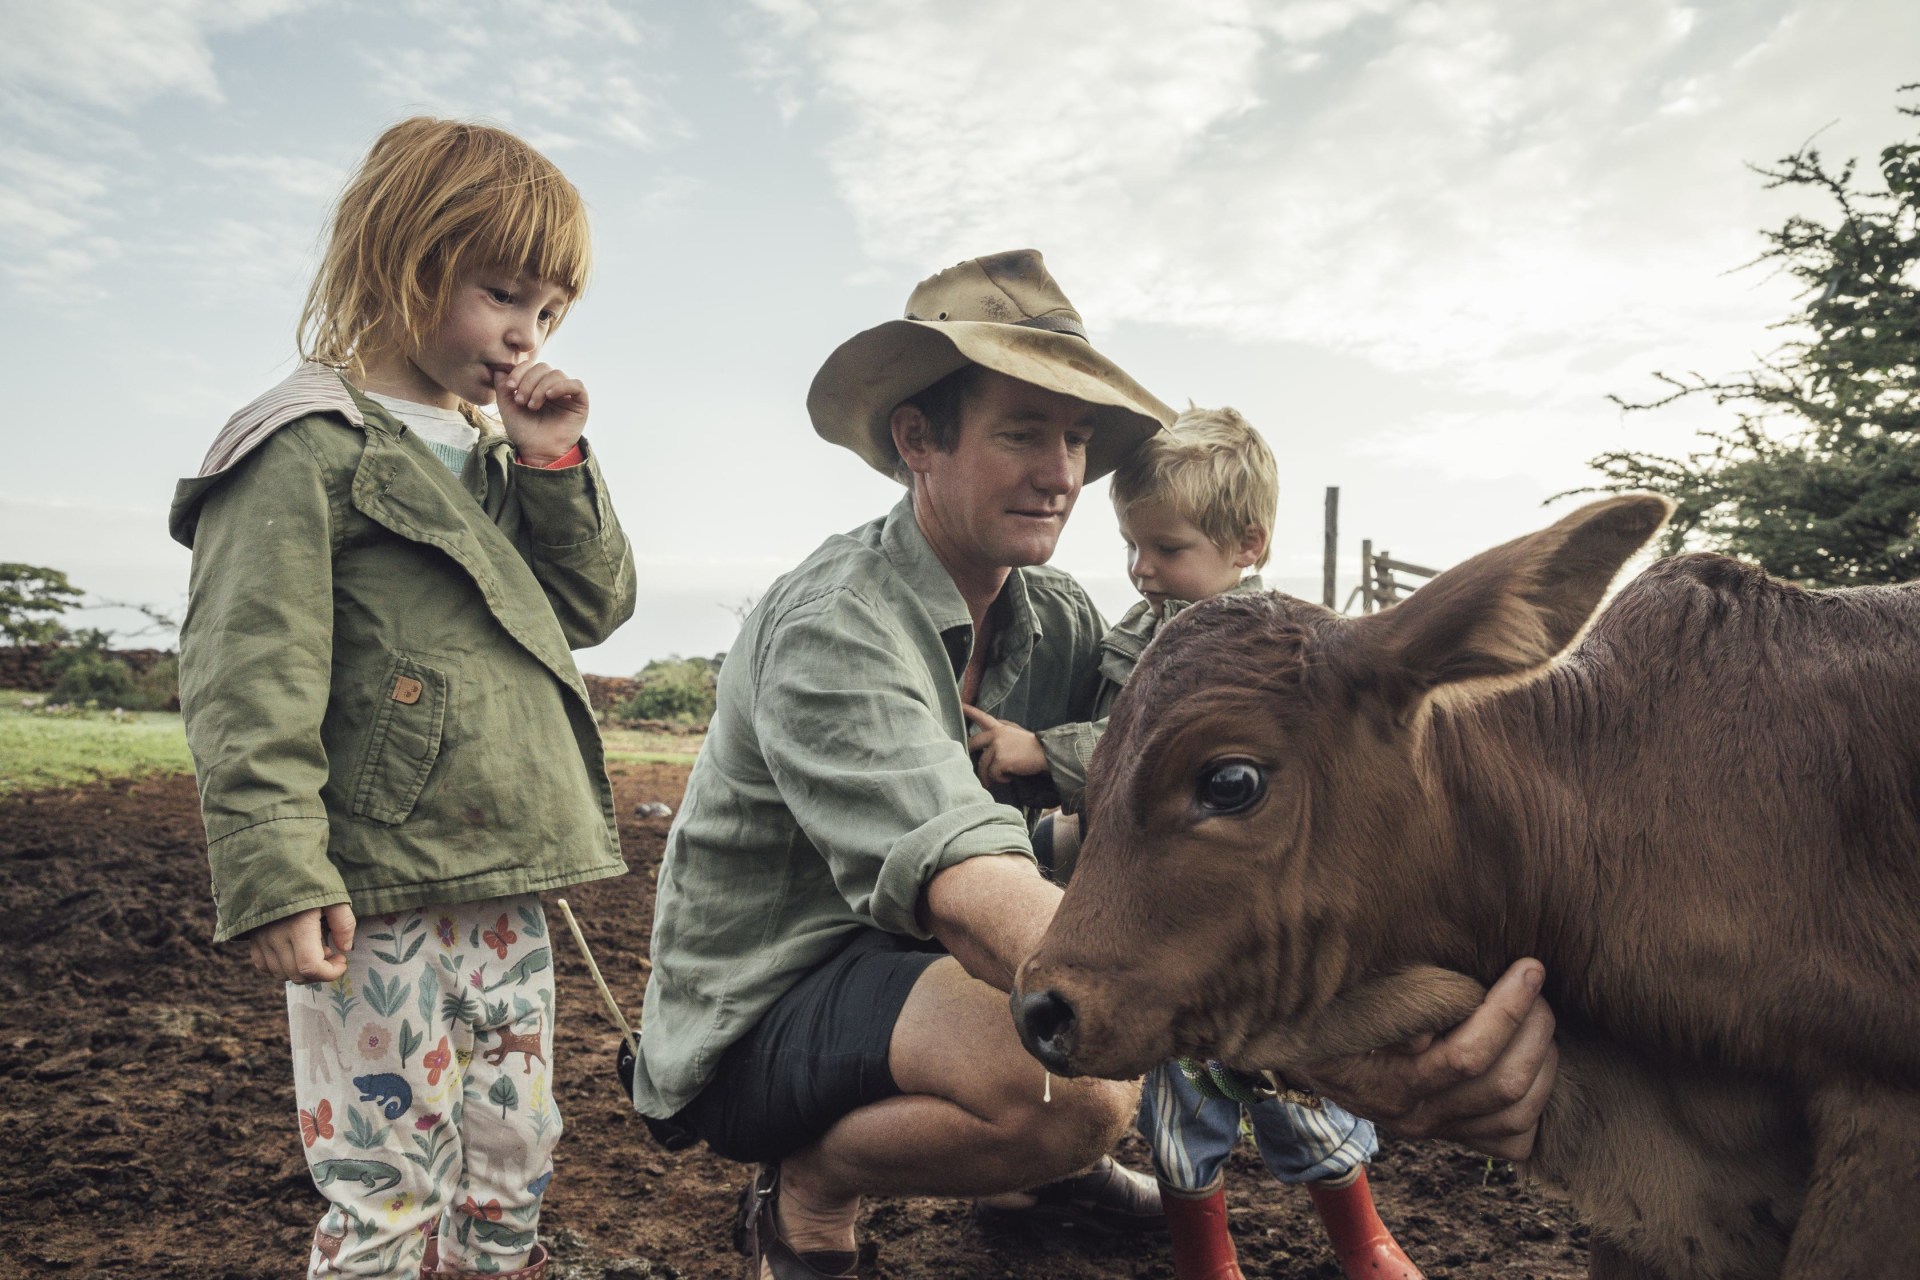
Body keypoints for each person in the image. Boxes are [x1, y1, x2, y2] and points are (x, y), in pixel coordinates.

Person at [627, 249, 1560, 1280]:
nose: (1064, 472)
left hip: (911, 975)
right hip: (771, 996)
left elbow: (1147, 829)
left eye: (1075, 437)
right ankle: (810, 1185)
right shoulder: (835, 621)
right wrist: (1317, 1047)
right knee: (1072, 1085)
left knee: (1111, 944)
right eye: (1024, 432)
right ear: (917, 438)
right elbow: (972, 888)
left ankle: (1027, 1172)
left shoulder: (1060, 617)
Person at [169, 117, 635, 1280]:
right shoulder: (301, 446)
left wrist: (554, 459)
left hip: (504, 872)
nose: (525, 334)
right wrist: (279, 869)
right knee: (390, 1169)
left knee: (514, 1147)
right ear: (401, 257)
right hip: (373, 886)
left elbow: (590, 603)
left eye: (549, 312)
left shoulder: (497, 457)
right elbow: (247, 675)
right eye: (502, 293)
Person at [964, 407, 1423, 1280]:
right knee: (1176, 1097)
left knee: (1301, 1086)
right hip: (1154, 929)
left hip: (1246, 923)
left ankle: (1367, 1247)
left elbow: (1148, 755)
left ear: (1245, 543)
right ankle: (1206, 1261)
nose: (1142, 570)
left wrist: (1043, 750)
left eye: (1166, 550)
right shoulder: (1136, 639)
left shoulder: (1281, 654)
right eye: (1133, 547)